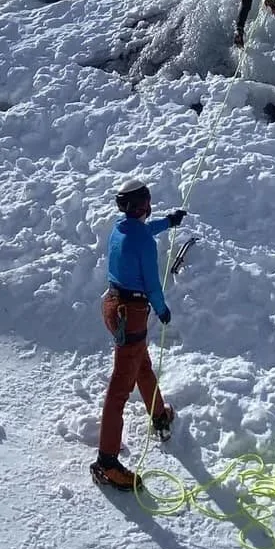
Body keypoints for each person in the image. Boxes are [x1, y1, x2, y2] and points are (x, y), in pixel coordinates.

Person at [91, 178, 187, 492]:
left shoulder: (120, 229)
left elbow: (144, 230)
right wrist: (161, 309)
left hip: (112, 306)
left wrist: (168, 222)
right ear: (142, 205)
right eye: (147, 201)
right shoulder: (143, 242)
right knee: (120, 387)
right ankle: (106, 463)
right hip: (130, 314)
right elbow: (151, 283)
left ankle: (159, 415)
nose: (150, 206)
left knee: (140, 364)